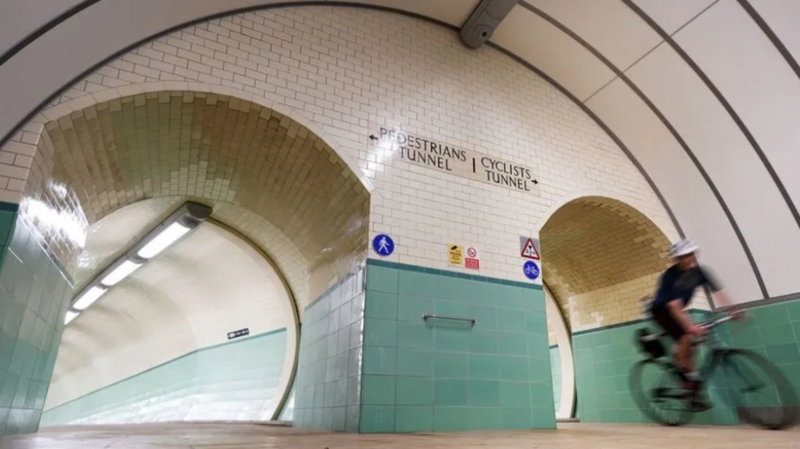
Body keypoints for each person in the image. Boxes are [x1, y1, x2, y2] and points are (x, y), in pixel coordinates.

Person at [647, 239, 741, 409]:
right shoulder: (670, 275)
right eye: (682, 257)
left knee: (693, 344)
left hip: (676, 310)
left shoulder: (701, 272)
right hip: (661, 311)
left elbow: (719, 291)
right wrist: (690, 327)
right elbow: (674, 305)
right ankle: (686, 378)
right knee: (686, 337)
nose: (687, 259)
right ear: (676, 259)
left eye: (690, 255)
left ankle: (685, 370)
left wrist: (733, 310)